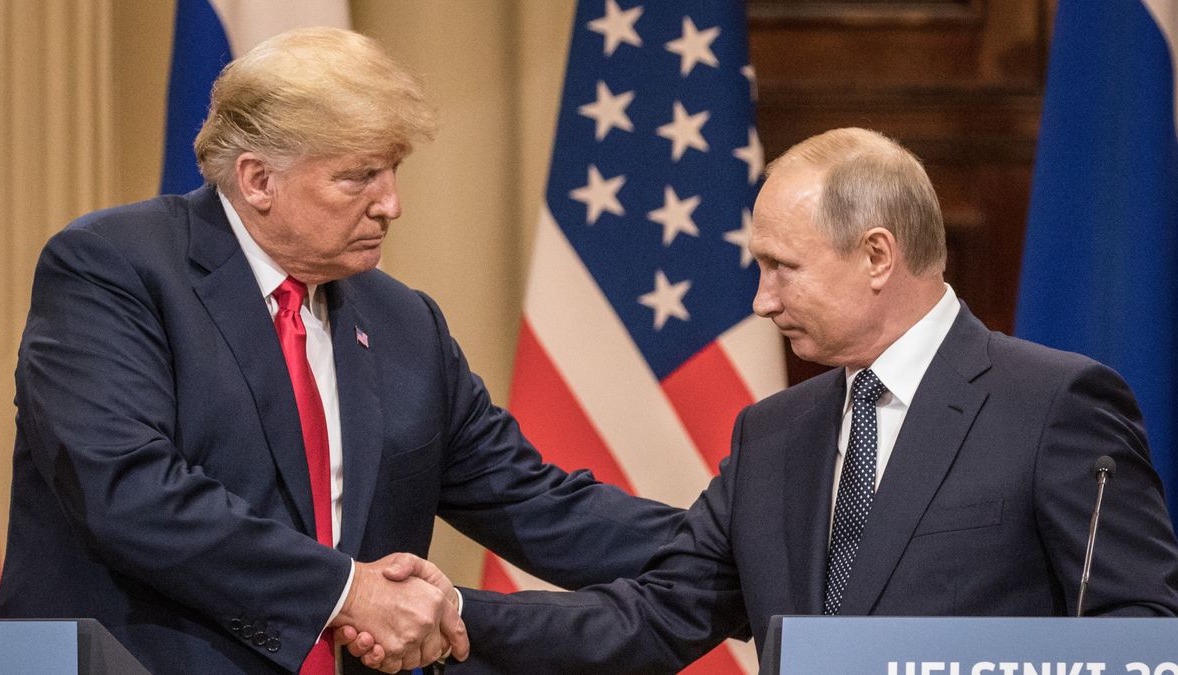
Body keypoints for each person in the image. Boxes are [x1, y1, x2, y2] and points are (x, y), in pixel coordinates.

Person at [0, 27, 683, 675]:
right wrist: (348, 590)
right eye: (359, 177)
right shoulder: (114, 268)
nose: (391, 205)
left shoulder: (404, 320)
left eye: (393, 171)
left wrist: (735, 544)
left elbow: (531, 499)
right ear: (258, 179)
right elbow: (128, 490)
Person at [450, 127, 1178, 672]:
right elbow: (655, 611)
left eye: (781, 267)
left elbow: (1142, 630)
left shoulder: (1052, 403)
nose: (762, 300)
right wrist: (450, 614)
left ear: (876, 256)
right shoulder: (773, 432)